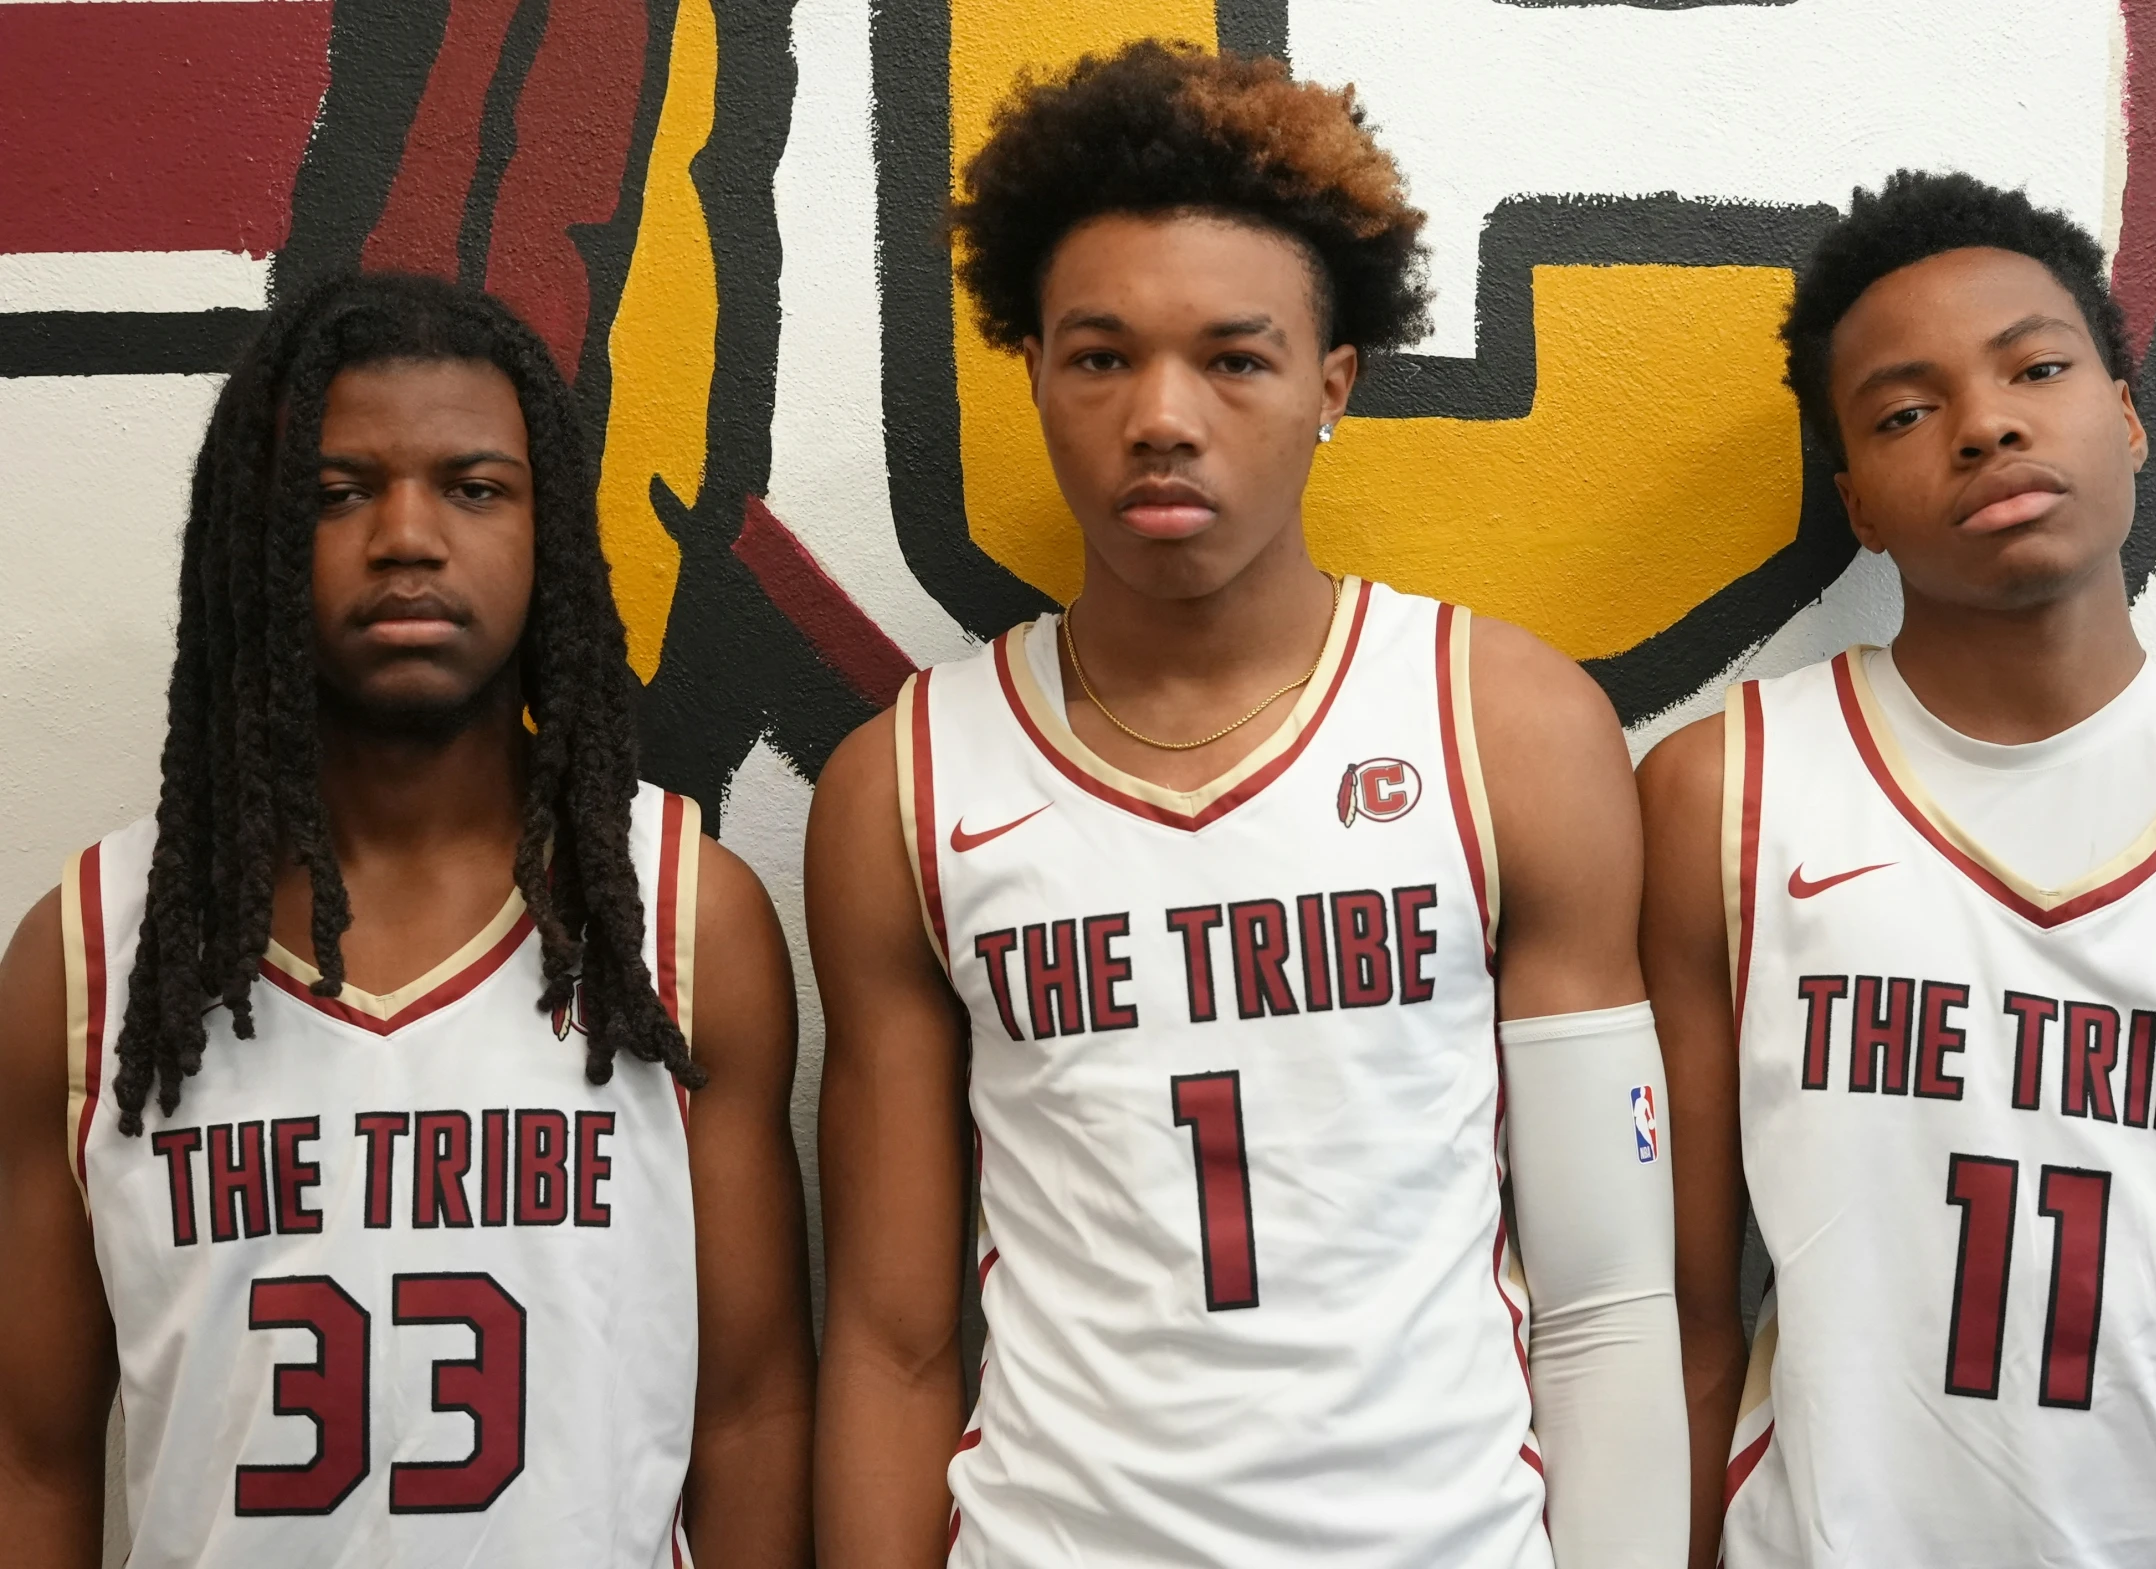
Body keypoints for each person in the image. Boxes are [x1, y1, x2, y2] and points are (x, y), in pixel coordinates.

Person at [809, 40, 1685, 1568]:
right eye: (1101, 355)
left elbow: (1608, 1302)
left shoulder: (1512, 728)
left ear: (1331, 383)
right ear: (1034, 372)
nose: (1163, 414)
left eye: (1235, 357)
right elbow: (887, 1346)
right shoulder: (905, 781)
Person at [0, 274, 815, 1567]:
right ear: (254, 538)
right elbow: (34, 1459)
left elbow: (753, 1414)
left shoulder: (677, 921)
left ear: (548, 533)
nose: (407, 537)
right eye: (337, 493)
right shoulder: (95, 952)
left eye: (474, 486)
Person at [1645, 170, 2156, 1567]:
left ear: (2133, 413)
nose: (1988, 426)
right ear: (1856, 499)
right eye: (1908, 412)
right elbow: (1686, 1312)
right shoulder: (1726, 792)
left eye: (2037, 366)